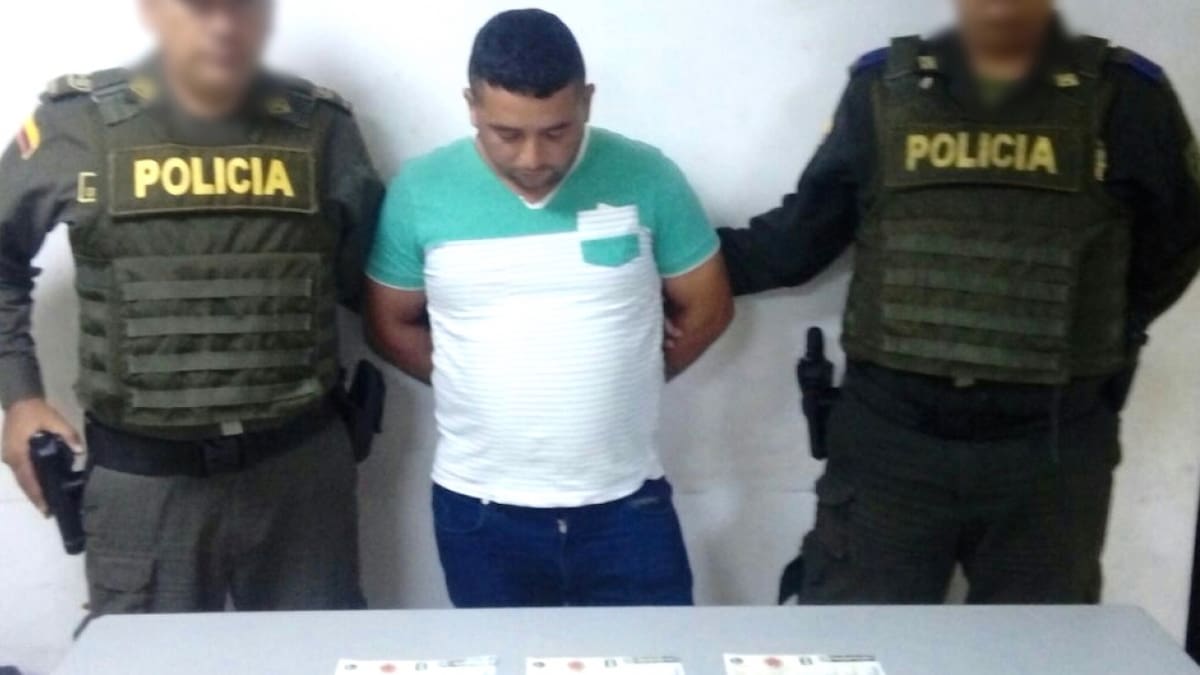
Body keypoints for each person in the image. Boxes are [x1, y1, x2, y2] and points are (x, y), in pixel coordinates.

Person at [719, 0, 1200, 604]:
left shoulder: (1128, 97)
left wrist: (1094, 336)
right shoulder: (882, 90)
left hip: (1050, 450)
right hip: (892, 444)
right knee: (856, 644)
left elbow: (1175, 247)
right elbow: (798, 241)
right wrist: (670, 262)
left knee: (1043, 648)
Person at [0, 0, 383, 615]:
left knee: (316, 655)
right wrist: (20, 397)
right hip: (146, 481)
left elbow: (368, 278)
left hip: (299, 474)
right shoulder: (78, 125)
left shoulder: (322, 128)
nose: (223, 25)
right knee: (147, 658)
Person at [366, 9, 733, 608]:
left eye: (557, 131)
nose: (533, 158)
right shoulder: (420, 191)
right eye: (507, 134)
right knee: (500, 656)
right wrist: (471, 382)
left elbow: (709, 307)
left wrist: (631, 374)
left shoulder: (649, 177)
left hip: (626, 505)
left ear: (587, 101)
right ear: (471, 106)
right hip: (481, 509)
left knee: (656, 654)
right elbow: (388, 322)